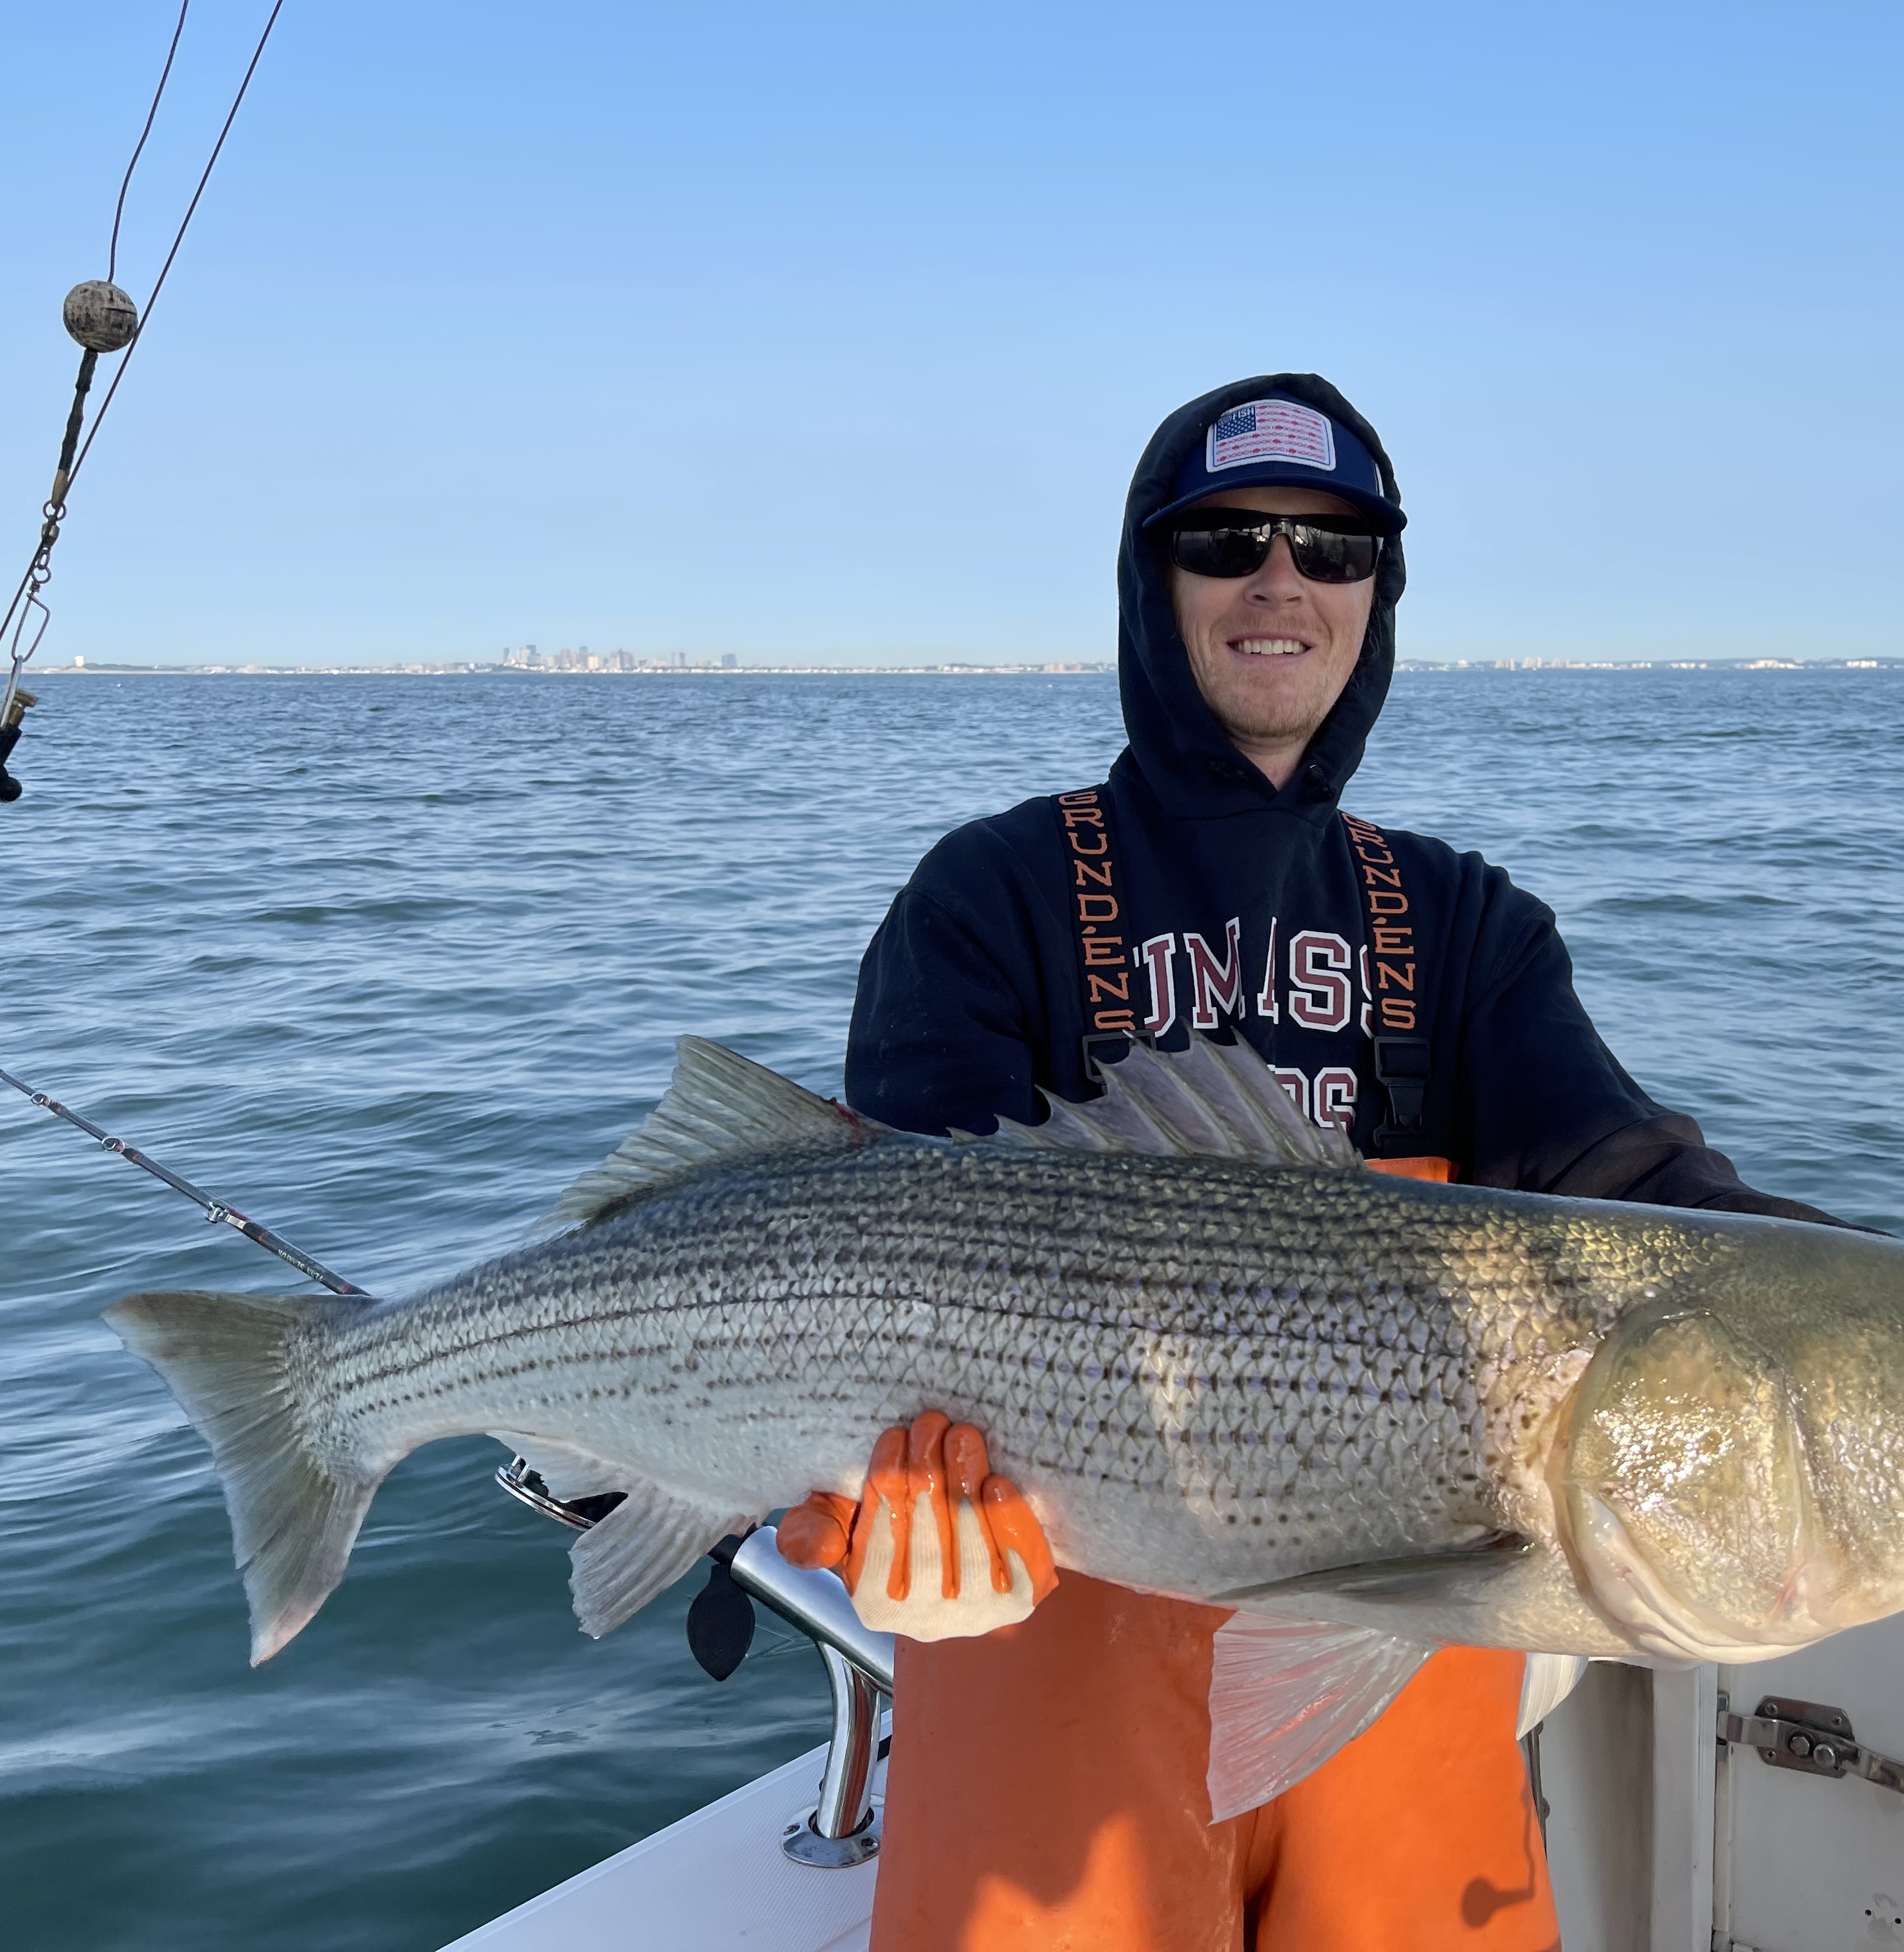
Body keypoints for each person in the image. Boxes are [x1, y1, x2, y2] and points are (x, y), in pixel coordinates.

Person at [786, 375, 1848, 1951]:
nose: (1281, 579)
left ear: (1378, 596)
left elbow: (1628, 1180)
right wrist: (891, 1519)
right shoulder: (990, 894)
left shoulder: (1467, 924)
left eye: (1334, 548)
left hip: (1400, 1665)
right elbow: (889, 1258)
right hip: (1049, 1629)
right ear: (1156, 587)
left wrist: (1850, 1331)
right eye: (1226, 539)